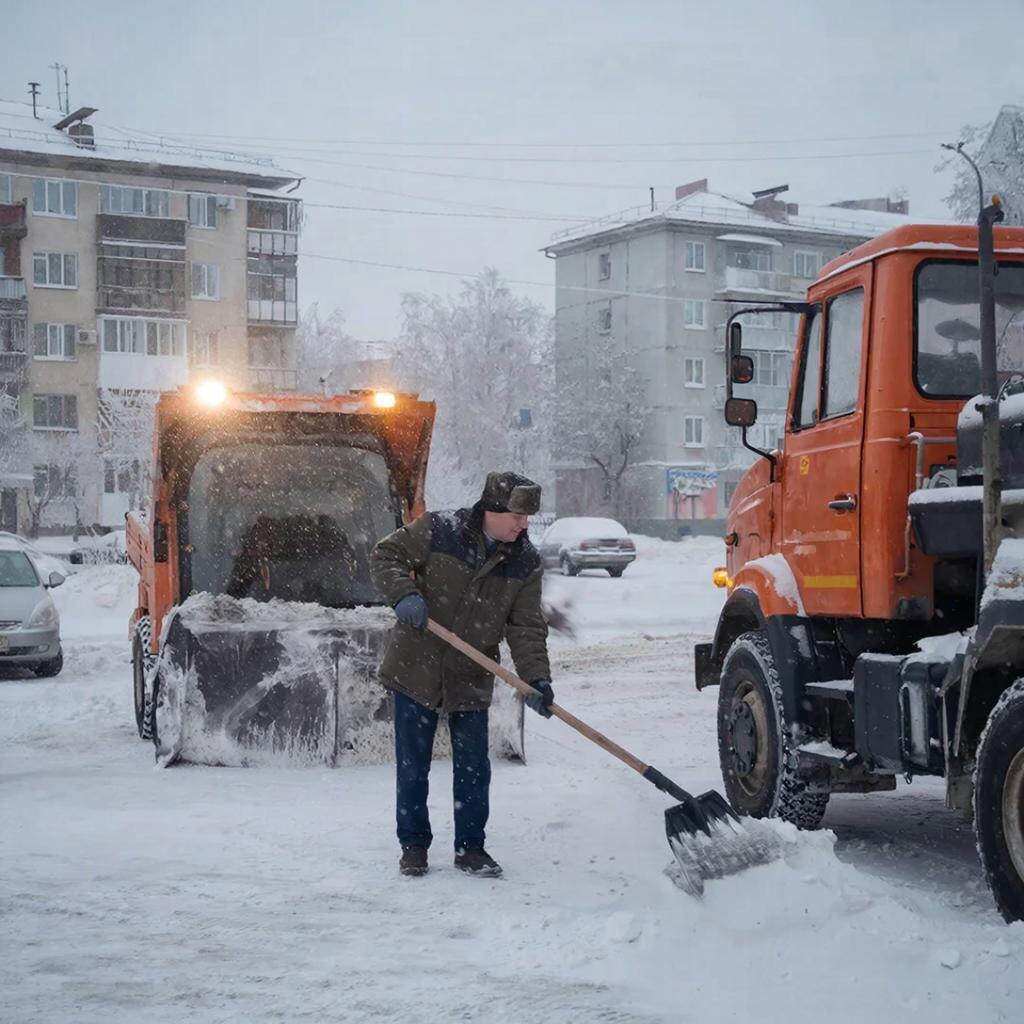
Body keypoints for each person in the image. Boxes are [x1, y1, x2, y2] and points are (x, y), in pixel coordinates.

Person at [371, 471, 554, 878]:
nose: (524, 525)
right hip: (416, 665)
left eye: (527, 518)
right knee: (413, 765)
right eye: (518, 516)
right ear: (492, 510)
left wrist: (536, 679)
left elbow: (526, 627)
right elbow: (386, 555)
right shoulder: (440, 530)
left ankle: (471, 848)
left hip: (471, 672)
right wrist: (404, 594)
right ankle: (413, 846)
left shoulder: (524, 562)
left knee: (474, 767)